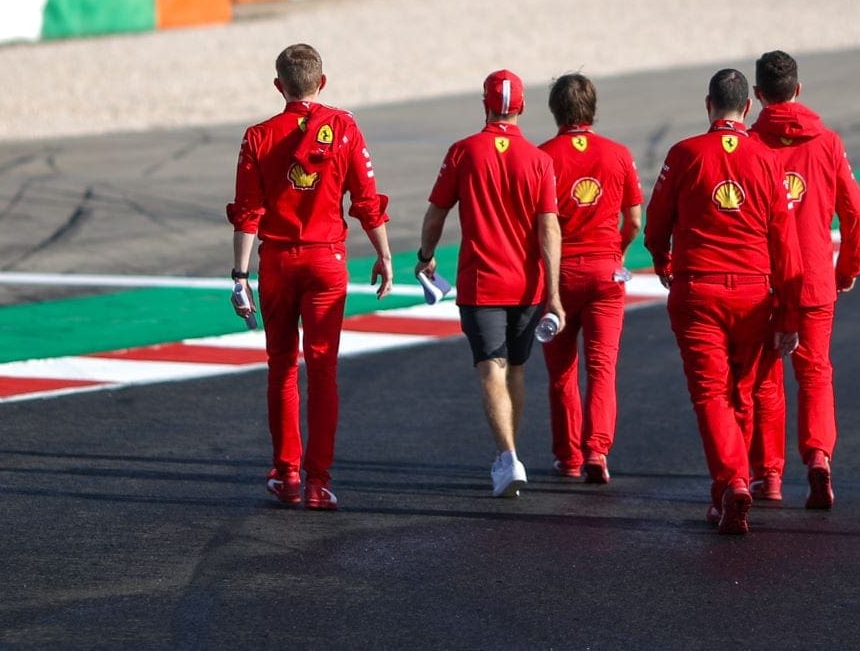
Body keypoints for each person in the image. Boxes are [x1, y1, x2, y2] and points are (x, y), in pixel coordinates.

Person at [226, 43, 394, 511]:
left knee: (281, 368)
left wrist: (239, 275)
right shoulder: (343, 127)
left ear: (280, 86)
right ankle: (320, 482)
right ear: (322, 83)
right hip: (327, 262)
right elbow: (366, 198)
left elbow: (248, 213)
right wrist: (383, 255)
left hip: (278, 262)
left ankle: (287, 473)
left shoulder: (257, 136)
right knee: (323, 371)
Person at [645, 68, 804, 536]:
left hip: (698, 290)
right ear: (748, 107)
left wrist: (661, 259)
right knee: (742, 392)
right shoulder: (767, 159)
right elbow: (785, 243)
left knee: (710, 394)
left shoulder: (685, 153)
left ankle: (732, 482)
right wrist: (789, 311)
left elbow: (657, 221)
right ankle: (733, 485)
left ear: (708, 104)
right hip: (755, 292)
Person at [415, 70, 564, 498]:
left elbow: (436, 214)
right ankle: (509, 456)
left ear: (484, 104)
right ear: (521, 107)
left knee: (491, 372)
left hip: (482, 283)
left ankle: (507, 456)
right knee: (514, 372)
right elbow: (549, 229)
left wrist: (426, 258)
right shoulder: (539, 160)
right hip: (528, 285)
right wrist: (553, 293)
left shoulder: (463, 152)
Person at [744, 50, 860, 510]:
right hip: (815, 275)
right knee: (815, 373)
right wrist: (849, 267)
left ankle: (768, 475)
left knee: (764, 380)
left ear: (758, 96)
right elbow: (855, 210)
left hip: (763, 278)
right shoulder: (828, 142)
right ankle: (818, 457)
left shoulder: (750, 144)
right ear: (798, 89)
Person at [537, 74, 644, 485]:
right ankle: (597, 450)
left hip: (560, 276)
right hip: (605, 271)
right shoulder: (618, 154)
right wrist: (616, 250)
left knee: (561, 371)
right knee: (602, 368)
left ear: (555, 110)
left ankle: (568, 457)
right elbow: (634, 219)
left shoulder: (543, 157)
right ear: (592, 109)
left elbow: (537, 225)